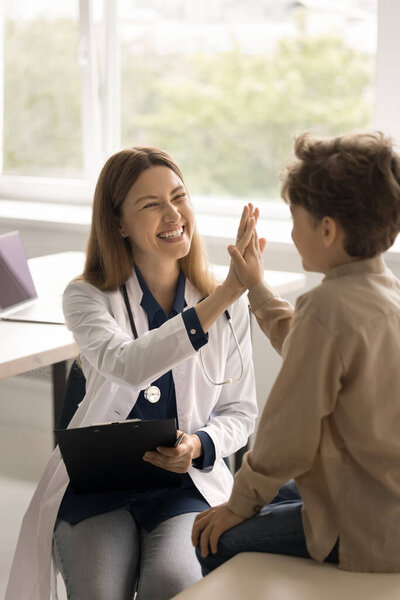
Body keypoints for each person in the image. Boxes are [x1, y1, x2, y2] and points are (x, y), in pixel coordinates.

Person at [5, 147, 259, 600]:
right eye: (150, 204)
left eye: (178, 196)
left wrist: (200, 445)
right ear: (118, 224)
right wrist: (225, 295)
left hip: (186, 485)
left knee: (173, 586)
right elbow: (129, 364)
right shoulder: (86, 297)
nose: (172, 214)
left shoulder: (227, 301)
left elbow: (241, 411)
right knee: (100, 593)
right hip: (96, 485)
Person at [192, 131, 400, 574]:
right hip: (385, 495)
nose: (290, 231)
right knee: (267, 495)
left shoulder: (328, 308)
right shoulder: (387, 293)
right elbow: (309, 344)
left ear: (327, 229)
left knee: (214, 538)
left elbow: (287, 435)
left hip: (365, 527)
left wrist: (239, 505)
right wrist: (255, 285)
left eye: (294, 218)